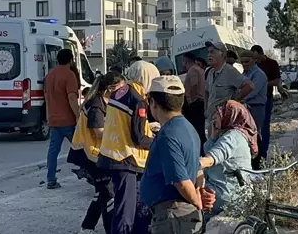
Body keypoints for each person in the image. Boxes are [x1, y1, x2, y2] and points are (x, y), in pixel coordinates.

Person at [140, 75, 216, 234]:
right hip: (179, 214)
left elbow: (181, 182)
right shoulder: (188, 128)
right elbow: (197, 168)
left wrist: (198, 204)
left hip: (173, 217)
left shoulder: (168, 135)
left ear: (153, 103)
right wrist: (200, 193)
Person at [98, 60, 158, 234]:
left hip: (110, 154)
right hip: (125, 158)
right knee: (127, 210)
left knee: (121, 206)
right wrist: (158, 142)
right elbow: (138, 137)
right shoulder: (138, 99)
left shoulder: (120, 92)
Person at [69, 71, 125, 234]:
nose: (123, 92)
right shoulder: (96, 105)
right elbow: (98, 132)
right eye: (121, 89)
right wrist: (121, 132)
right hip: (89, 154)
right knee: (108, 193)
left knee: (102, 191)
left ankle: (87, 226)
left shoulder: (107, 101)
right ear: (110, 88)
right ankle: (111, 230)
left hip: (96, 153)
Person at [200, 100, 257, 216]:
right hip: (228, 189)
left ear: (229, 116)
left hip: (226, 194)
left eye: (219, 115)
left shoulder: (232, 138)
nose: (215, 118)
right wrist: (213, 135)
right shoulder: (230, 134)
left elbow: (210, 160)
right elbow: (209, 151)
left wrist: (189, 164)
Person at [44, 48, 80, 189]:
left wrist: (48, 115)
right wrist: (78, 115)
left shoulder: (50, 75)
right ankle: (91, 173)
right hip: (68, 120)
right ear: (71, 60)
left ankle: (50, 179)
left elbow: (47, 97)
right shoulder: (69, 75)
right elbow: (71, 97)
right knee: (80, 147)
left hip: (54, 119)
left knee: (53, 151)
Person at [204, 42, 254, 137]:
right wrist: (205, 109)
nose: (209, 55)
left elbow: (250, 86)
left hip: (224, 123)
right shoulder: (210, 72)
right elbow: (206, 90)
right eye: (208, 52)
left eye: (212, 52)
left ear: (223, 55)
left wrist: (234, 103)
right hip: (211, 120)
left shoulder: (230, 71)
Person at [251, 45, 281, 161]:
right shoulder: (254, 66)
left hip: (266, 99)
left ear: (260, 52)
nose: (255, 60)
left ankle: (263, 154)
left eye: (256, 57)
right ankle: (255, 154)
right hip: (253, 100)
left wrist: (263, 84)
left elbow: (277, 81)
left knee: (264, 128)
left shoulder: (272, 63)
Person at [239, 51, 267, 168]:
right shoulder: (245, 73)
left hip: (256, 108)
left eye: (247, 61)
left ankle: (258, 164)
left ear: (254, 60)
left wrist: (237, 97)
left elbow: (251, 91)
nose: (245, 64)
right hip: (246, 107)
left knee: (255, 136)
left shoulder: (258, 74)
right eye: (243, 62)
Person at [182, 52, 207, 154]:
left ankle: (197, 151)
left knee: (194, 129)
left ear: (187, 60)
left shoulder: (193, 70)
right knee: (200, 129)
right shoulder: (200, 70)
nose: (182, 64)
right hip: (200, 103)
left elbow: (194, 85)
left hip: (195, 103)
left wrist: (190, 101)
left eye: (183, 61)